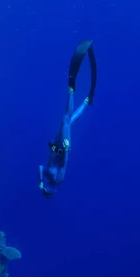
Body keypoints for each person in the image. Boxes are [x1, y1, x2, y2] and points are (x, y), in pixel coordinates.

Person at [39, 40, 97, 198]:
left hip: (56, 145)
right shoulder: (58, 180)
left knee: (69, 122)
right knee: (65, 119)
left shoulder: (46, 176)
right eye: (49, 192)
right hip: (64, 147)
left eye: (46, 191)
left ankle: (86, 101)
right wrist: (65, 148)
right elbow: (64, 163)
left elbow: (40, 167)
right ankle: (71, 89)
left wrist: (40, 181)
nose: (49, 190)